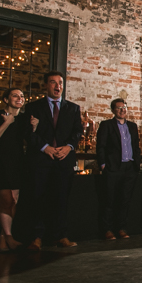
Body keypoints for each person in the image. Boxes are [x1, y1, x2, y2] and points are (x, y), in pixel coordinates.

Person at [23, 71, 82, 250]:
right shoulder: (34, 107)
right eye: (53, 82)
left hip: (64, 160)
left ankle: (61, 236)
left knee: (62, 199)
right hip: (41, 159)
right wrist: (45, 147)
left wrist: (69, 147)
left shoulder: (73, 108)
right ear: (46, 85)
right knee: (39, 198)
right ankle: (37, 237)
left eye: (60, 83)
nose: (58, 86)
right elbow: (28, 133)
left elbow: (77, 132)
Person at [0, 88, 37, 251]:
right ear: (6, 99)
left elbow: (28, 141)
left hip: (17, 163)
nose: (19, 98)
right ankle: (8, 237)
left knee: (14, 200)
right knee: (6, 200)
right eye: (15, 95)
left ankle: (3, 237)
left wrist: (34, 127)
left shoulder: (23, 119)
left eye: (22, 96)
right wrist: (6, 123)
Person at [96, 98, 140, 240]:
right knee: (109, 200)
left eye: (124, 107)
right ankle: (107, 230)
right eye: (119, 108)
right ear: (113, 110)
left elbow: (136, 147)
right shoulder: (107, 125)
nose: (122, 110)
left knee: (125, 200)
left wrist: (136, 165)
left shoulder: (133, 126)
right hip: (113, 167)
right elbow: (101, 146)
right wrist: (103, 165)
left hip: (129, 167)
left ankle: (121, 228)